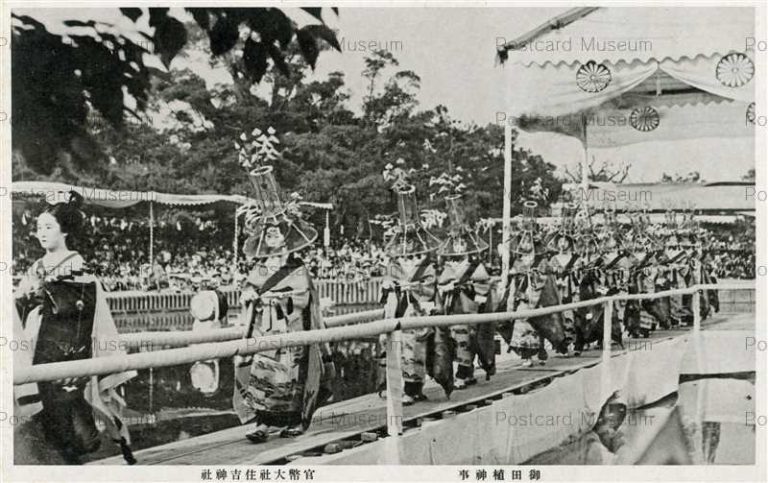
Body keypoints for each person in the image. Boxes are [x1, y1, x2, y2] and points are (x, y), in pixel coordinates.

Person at [13, 191, 136, 464]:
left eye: (48, 227)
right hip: (35, 346)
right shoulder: (37, 265)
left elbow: (84, 313)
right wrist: (26, 298)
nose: (41, 233)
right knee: (46, 421)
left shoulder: (78, 265)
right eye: (38, 227)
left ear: (64, 231)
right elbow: (18, 304)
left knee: (72, 423)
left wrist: (44, 292)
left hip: (66, 348)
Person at [233, 165, 335, 443]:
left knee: (291, 378)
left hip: (290, 330)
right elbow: (248, 290)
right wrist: (249, 297)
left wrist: (280, 298)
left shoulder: (297, 268)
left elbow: (302, 298)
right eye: (268, 233)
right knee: (263, 376)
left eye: (277, 232)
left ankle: (296, 421)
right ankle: (262, 423)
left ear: (286, 235)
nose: (272, 236)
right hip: (265, 332)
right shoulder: (261, 267)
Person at [379, 184, 444, 405]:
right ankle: (393, 385)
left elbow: (429, 287)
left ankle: (413, 387)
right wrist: (390, 286)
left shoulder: (426, 265)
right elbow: (386, 284)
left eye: (411, 242)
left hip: (415, 310)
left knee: (415, 349)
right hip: (397, 309)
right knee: (393, 346)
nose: (407, 246)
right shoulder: (394, 264)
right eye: (403, 242)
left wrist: (414, 288)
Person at [436, 193, 496, 389]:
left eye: (462, 242)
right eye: (456, 242)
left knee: (467, 338)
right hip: (453, 306)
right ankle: (464, 372)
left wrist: (477, 294)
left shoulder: (474, 264)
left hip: (469, 305)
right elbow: (441, 283)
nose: (459, 245)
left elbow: (483, 284)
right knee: (455, 339)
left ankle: (464, 373)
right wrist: (447, 287)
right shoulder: (448, 265)